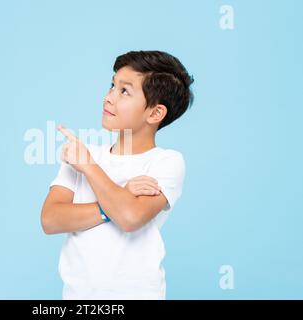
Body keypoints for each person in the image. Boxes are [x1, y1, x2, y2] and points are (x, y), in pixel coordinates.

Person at [41, 50, 194, 299]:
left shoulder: (166, 162)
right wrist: (119, 197)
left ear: (155, 113)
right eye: (112, 86)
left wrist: (89, 167)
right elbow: (51, 219)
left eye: (124, 91)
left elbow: (130, 217)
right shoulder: (83, 155)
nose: (108, 98)